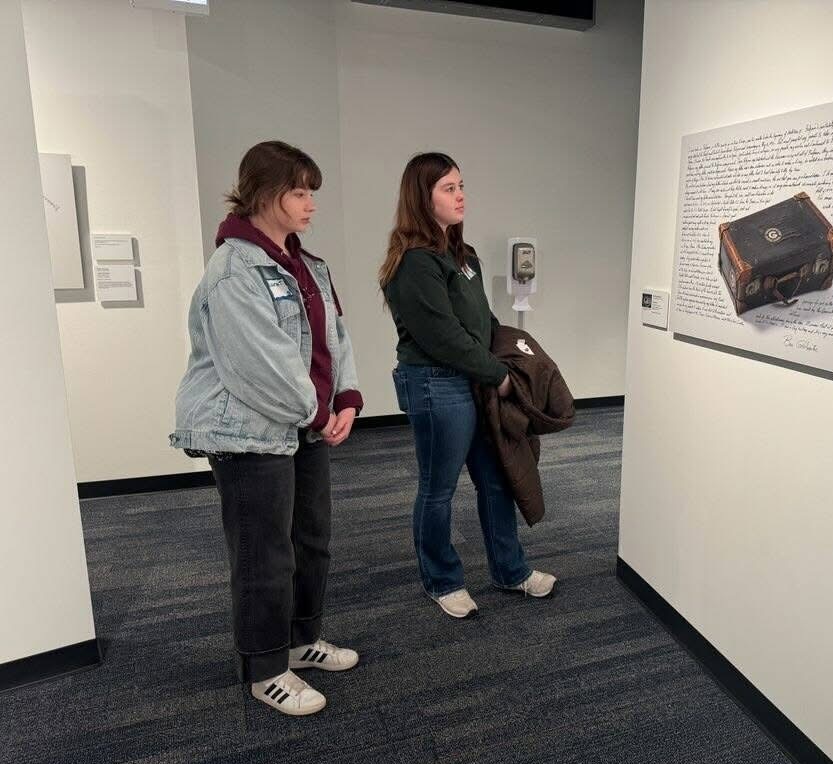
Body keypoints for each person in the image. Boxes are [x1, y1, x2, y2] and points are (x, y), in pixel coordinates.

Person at [170, 141, 362, 716]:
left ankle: (301, 642)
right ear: (262, 193)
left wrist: (346, 398)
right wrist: (317, 410)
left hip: (304, 424)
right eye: (299, 192)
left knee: (312, 541)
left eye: (312, 193)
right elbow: (259, 365)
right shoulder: (234, 270)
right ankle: (265, 668)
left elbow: (335, 339)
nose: (310, 205)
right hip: (248, 433)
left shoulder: (307, 264)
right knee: (264, 554)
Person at [379, 152, 556, 619]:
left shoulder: (463, 255)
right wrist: (497, 374)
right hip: (438, 385)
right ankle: (442, 580)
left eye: (461, 186)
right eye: (448, 188)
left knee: (496, 480)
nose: (461, 196)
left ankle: (510, 570)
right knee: (438, 489)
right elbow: (444, 336)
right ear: (423, 197)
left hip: (474, 380)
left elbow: (482, 320)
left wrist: (511, 357)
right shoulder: (414, 261)